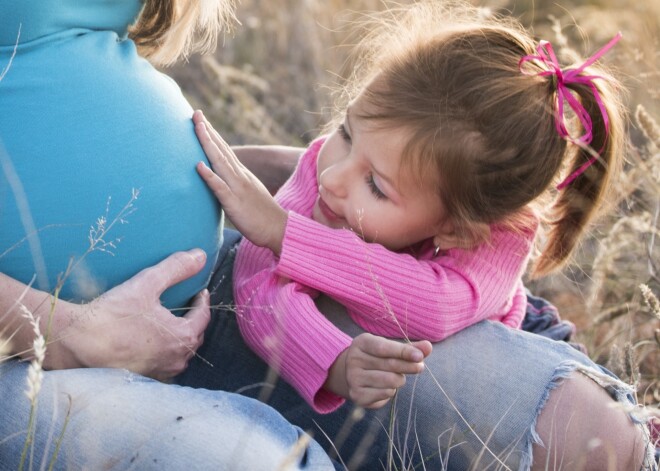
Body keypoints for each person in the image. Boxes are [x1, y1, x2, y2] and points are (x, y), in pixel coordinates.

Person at [0, 1, 655, 471]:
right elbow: (262, 275)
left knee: (592, 434)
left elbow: (429, 303)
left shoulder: (491, 238)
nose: (334, 176)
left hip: (329, 306)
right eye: (344, 132)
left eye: (375, 183)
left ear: (460, 227)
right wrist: (65, 328)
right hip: (50, 350)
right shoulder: (329, 185)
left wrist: (281, 218)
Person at [0, 1, 335, 469]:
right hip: (24, 354)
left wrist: (219, 170)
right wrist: (66, 334)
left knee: (453, 390)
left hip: (195, 301)